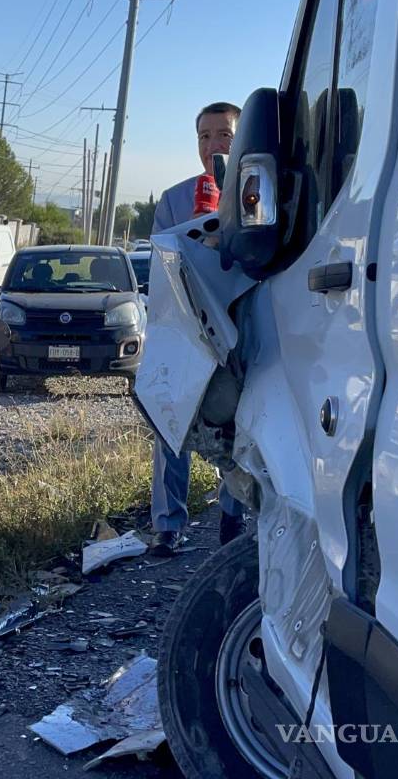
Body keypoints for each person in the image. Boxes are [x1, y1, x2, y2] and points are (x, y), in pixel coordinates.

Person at [148, 101, 247, 556]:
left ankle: (232, 513)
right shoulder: (173, 199)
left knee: (242, 428)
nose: (214, 145)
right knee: (172, 422)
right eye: (205, 136)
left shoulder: (258, 192)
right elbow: (163, 264)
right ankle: (168, 524)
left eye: (224, 134)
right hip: (187, 328)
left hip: (240, 329)